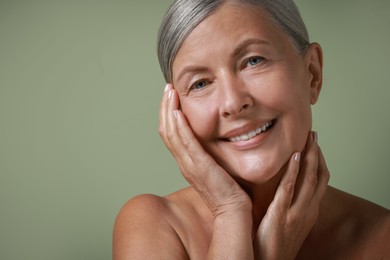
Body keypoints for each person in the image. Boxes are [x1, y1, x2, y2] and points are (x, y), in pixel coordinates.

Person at [113, 0, 390, 259]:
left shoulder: (382, 238)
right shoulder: (153, 226)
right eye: (200, 83)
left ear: (312, 74)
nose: (233, 103)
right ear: (176, 111)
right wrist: (229, 211)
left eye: (253, 61)